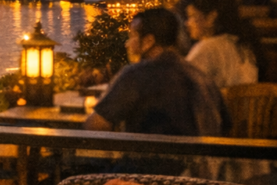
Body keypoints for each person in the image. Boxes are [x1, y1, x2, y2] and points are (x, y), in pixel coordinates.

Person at [85, 7, 226, 142]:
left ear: (148, 42)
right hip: (203, 164)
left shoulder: (136, 75)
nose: (127, 44)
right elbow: (225, 126)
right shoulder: (201, 76)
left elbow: (95, 125)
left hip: (149, 163)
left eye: (132, 36)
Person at [183, 0, 261, 89]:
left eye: (192, 16)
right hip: (249, 105)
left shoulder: (207, 48)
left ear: (211, 18)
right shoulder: (242, 45)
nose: (187, 23)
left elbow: (182, 85)